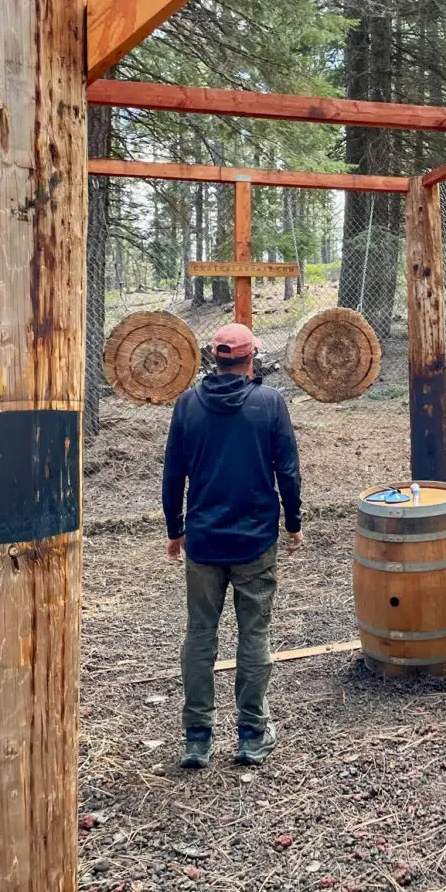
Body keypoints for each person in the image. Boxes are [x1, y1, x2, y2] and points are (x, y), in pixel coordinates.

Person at [162, 322, 303, 769]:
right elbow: (289, 472)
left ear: (215, 358)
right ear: (251, 358)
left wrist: (175, 529)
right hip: (256, 541)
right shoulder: (270, 403)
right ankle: (251, 734)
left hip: (204, 540)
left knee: (200, 634)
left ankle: (197, 740)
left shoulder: (187, 405)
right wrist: (293, 523)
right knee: (254, 633)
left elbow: (172, 475)